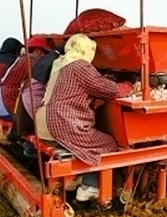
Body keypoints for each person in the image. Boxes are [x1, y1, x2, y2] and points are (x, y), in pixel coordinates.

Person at [36, 34, 134, 201]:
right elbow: (108, 89)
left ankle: (77, 178)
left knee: (91, 138)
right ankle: (91, 186)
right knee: (108, 143)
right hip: (62, 123)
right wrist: (128, 86)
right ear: (85, 49)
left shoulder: (61, 63)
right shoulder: (79, 65)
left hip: (43, 122)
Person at [0, 35, 51, 123]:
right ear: (37, 51)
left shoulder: (22, 59)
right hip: (7, 105)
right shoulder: (31, 62)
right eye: (45, 54)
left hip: (0, 102)